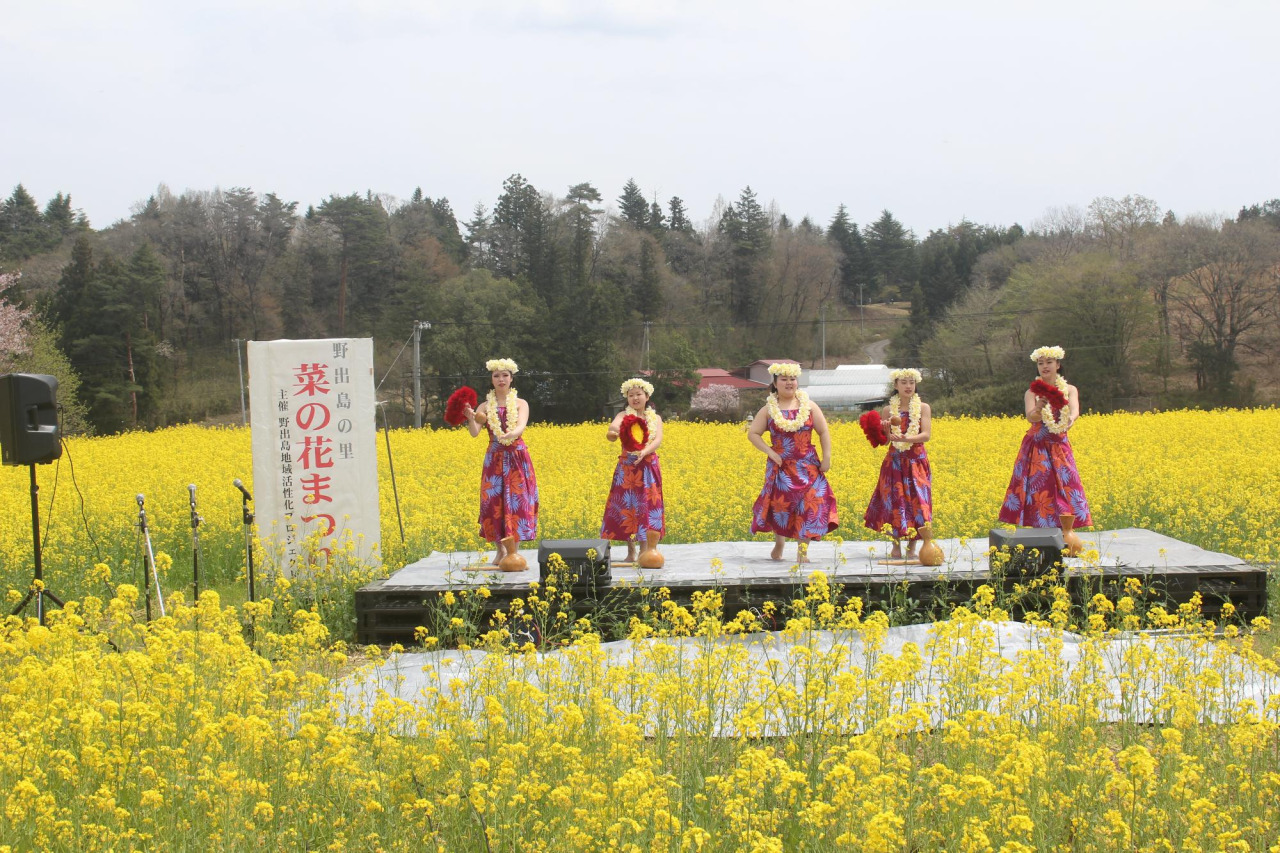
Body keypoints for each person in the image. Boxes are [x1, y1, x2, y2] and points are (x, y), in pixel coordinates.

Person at [748, 362, 838, 562]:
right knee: (782, 507)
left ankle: (802, 552)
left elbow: (823, 431)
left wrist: (827, 457)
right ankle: (780, 543)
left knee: (808, 504)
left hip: (808, 465)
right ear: (775, 383)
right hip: (781, 465)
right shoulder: (768, 409)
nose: (789, 383)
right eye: (784, 379)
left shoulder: (810, 406)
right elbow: (753, 433)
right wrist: (770, 452)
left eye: (792, 379)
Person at [999, 345, 1092, 529]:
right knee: (1038, 488)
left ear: (1058, 365)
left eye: (1049, 362)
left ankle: (1065, 529)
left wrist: (1070, 420)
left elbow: (1074, 411)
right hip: (1037, 445)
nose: (1045, 366)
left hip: (1059, 443)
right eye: (1041, 363)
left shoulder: (1069, 389)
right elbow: (1030, 417)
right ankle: (1039, 526)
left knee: (1065, 484)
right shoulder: (1032, 392)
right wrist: (1040, 407)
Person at [463, 358, 539, 565]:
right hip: (494, 458)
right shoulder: (485, 406)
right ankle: (499, 551)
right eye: (496, 376)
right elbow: (474, 433)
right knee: (493, 503)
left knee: (518, 502)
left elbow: (520, 425)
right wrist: (470, 417)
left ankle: (514, 552)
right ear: (491, 379)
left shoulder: (521, 403)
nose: (501, 379)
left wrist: (510, 434)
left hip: (517, 456)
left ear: (511, 378)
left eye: (505, 375)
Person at [863, 368, 933, 559]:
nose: (908, 386)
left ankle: (912, 545)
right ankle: (895, 545)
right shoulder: (888, 410)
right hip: (894, 462)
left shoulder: (923, 408)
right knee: (894, 502)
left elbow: (926, 435)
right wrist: (884, 430)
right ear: (896, 385)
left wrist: (907, 437)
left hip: (916, 461)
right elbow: (886, 442)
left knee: (917, 503)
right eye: (904, 382)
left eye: (911, 382)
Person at [601, 378, 665, 563]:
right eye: (631, 395)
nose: (635, 398)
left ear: (647, 396)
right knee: (627, 507)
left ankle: (646, 551)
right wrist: (613, 433)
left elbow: (657, 439)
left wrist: (644, 451)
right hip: (627, 468)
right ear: (627, 398)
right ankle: (631, 553)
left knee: (646, 507)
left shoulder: (656, 418)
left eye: (638, 394)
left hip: (648, 466)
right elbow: (613, 427)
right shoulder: (623, 415)